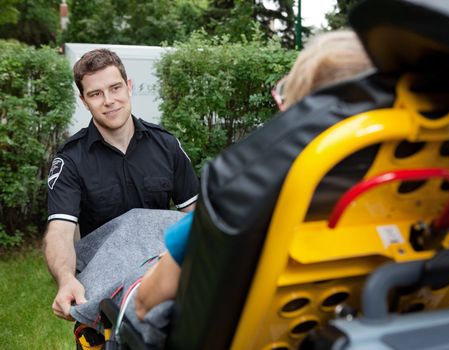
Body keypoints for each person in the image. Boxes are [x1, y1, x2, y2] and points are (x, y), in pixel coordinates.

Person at [134, 29, 373, 320]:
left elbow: (146, 304)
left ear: (302, 111)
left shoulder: (243, 192)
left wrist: (174, 259)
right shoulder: (408, 192)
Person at [43, 48, 199, 322]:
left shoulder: (167, 146)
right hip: (103, 293)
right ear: (84, 100)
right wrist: (66, 279)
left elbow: (195, 216)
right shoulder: (70, 160)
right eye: (95, 94)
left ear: (128, 87)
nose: (109, 101)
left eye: (115, 88)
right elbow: (60, 233)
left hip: (160, 282)